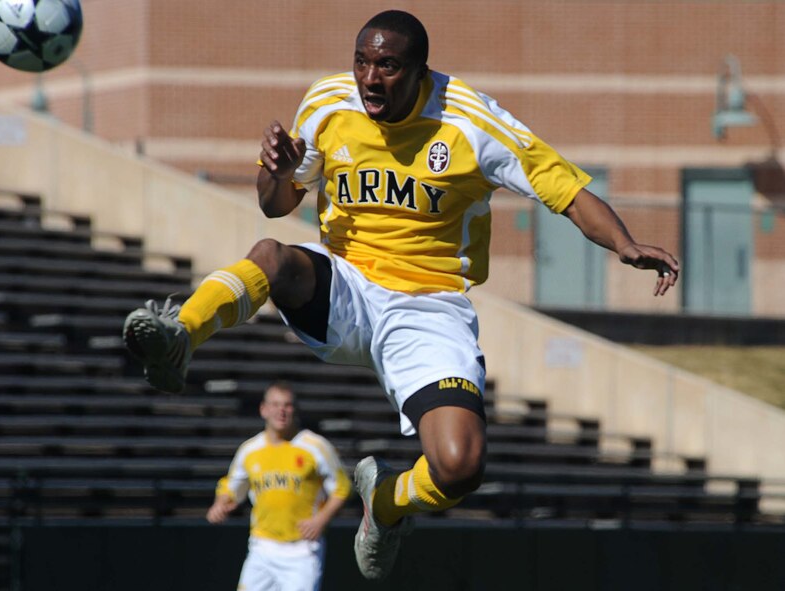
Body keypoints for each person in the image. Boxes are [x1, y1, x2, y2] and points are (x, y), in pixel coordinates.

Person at [123, 9, 680, 581]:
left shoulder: (471, 122)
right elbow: (276, 202)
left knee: (461, 467)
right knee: (272, 253)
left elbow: (564, 188)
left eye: (387, 65)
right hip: (347, 284)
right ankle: (178, 336)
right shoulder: (328, 104)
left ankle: (385, 503)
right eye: (362, 62)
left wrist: (625, 244)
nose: (370, 78)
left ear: (420, 71)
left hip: (428, 306)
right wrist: (279, 171)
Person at [205, 382, 351, 591]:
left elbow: (342, 487)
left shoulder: (315, 446)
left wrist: (321, 520)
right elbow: (231, 486)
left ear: (294, 409)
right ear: (263, 409)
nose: (281, 411)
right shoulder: (250, 450)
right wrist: (220, 504)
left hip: (302, 549)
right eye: (275, 404)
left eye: (287, 405)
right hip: (262, 547)